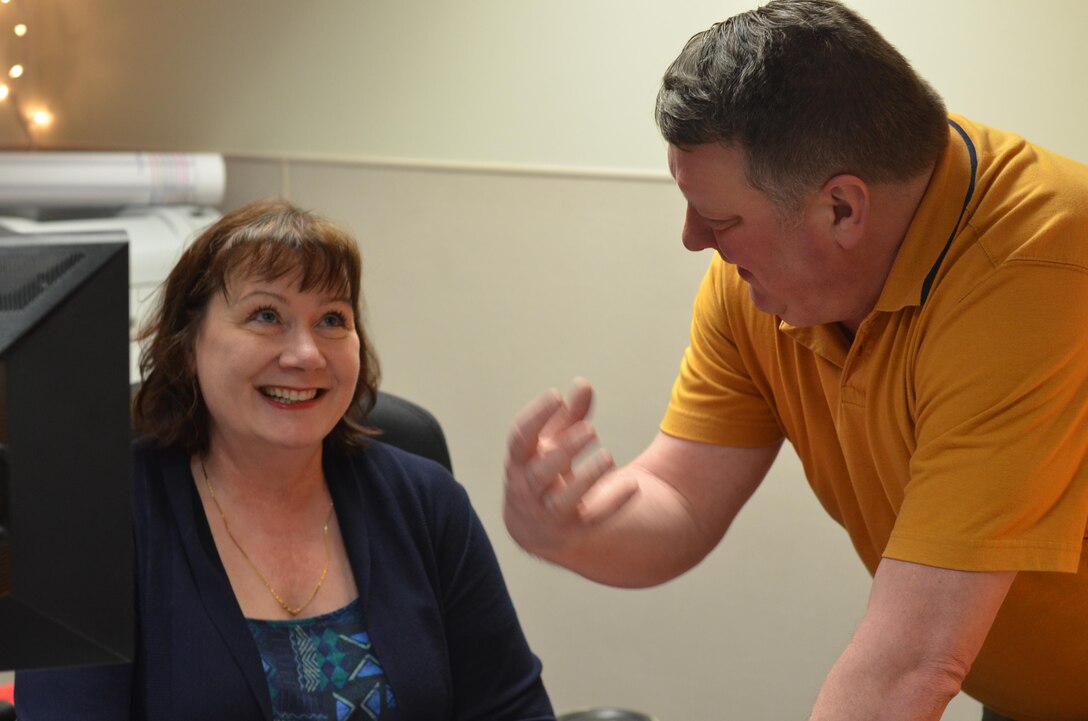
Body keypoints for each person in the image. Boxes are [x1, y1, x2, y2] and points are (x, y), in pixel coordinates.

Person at [502, 2, 1088, 721]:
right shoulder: (759, 285)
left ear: (842, 209)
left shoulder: (1037, 268)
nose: (692, 240)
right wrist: (572, 527)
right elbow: (681, 500)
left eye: (718, 220)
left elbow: (913, 660)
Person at [17, 199, 555, 721]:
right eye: (266, 315)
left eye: (331, 320)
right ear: (187, 345)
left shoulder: (427, 501)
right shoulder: (91, 518)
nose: (306, 354)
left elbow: (511, 708)